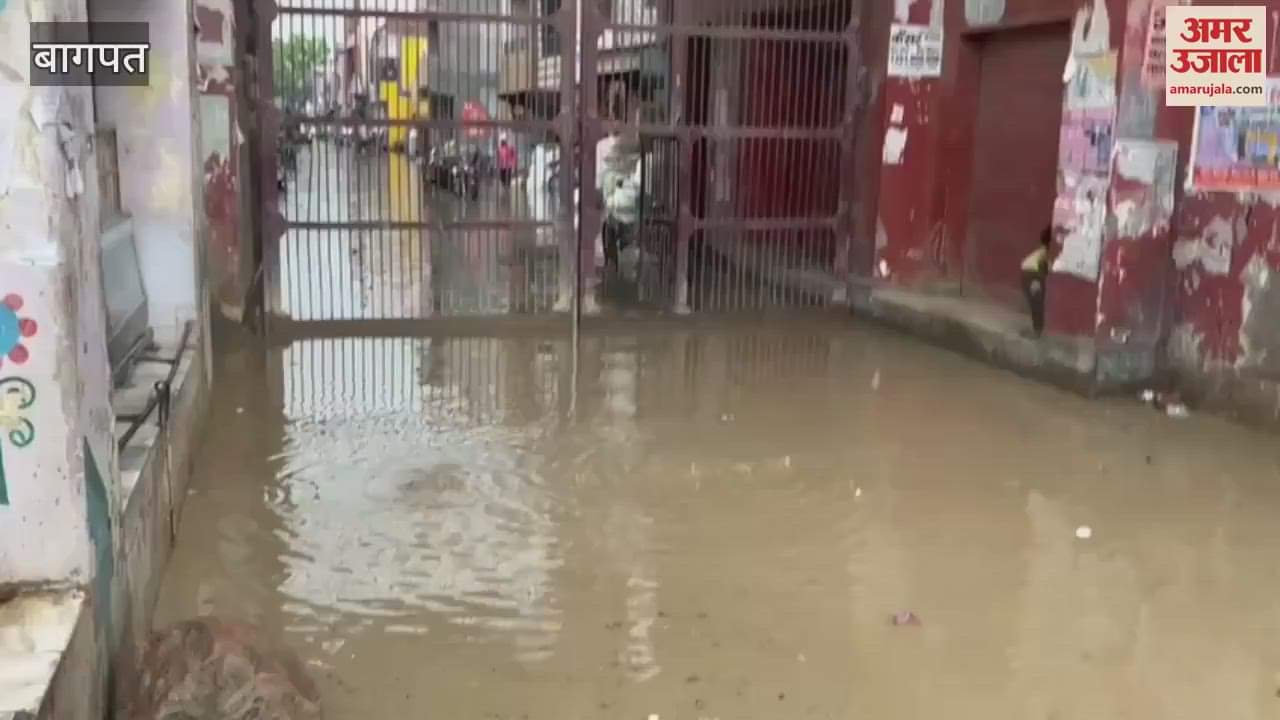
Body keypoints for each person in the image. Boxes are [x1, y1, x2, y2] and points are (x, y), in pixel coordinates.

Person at [1021, 227, 1052, 337]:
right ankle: (1036, 330)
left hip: (1033, 275)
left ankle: (1037, 331)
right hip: (1030, 275)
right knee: (1035, 304)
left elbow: (1042, 266)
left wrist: (1037, 281)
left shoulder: (1048, 251)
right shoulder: (1045, 249)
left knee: (1036, 304)